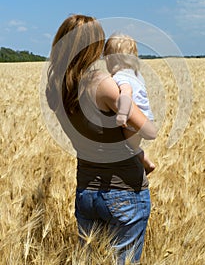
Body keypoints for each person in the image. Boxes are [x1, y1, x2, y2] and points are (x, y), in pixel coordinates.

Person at [46, 14, 156, 264]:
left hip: (85, 191)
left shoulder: (55, 86)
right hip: (123, 192)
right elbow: (148, 130)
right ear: (95, 46)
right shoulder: (103, 84)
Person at [104, 33, 156, 175]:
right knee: (133, 146)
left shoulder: (120, 76)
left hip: (133, 121)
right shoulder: (137, 75)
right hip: (146, 118)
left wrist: (121, 114)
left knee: (127, 146)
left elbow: (126, 93)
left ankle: (148, 164)